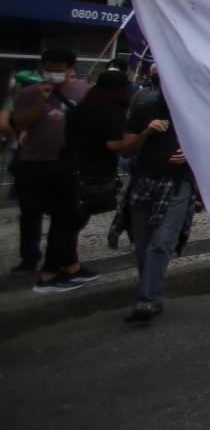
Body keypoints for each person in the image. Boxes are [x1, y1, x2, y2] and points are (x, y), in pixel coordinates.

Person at [30, 69, 129, 292]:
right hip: (84, 174)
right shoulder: (111, 110)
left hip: (65, 168)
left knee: (68, 221)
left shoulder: (84, 108)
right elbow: (113, 144)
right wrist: (139, 139)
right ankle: (49, 274)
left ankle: (71, 266)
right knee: (67, 224)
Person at [120, 67, 197, 323]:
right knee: (142, 244)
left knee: (161, 242)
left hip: (177, 184)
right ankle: (150, 293)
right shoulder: (145, 111)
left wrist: (190, 153)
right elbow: (126, 150)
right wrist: (147, 133)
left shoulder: (195, 112)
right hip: (144, 182)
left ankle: (147, 300)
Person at [9, 48, 89, 276]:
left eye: (59, 71)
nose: (53, 74)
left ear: (71, 69)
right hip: (32, 161)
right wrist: (42, 98)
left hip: (66, 164)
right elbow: (21, 123)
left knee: (65, 215)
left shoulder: (83, 91)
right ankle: (29, 257)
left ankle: (63, 260)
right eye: (48, 70)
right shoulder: (29, 93)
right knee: (30, 212)